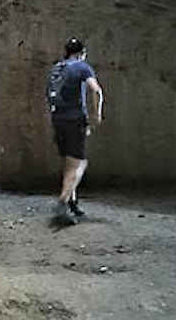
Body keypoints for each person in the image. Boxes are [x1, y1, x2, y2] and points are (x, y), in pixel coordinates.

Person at [48, 37, 104, 225]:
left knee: (68, 161)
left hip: (58, 119)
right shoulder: (82, 67)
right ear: (82, 53)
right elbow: (95, 90)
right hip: (74, 120)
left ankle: (72, 202)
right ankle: (62, 202)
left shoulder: (57, 68)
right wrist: (96, 115)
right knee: (79, 164)